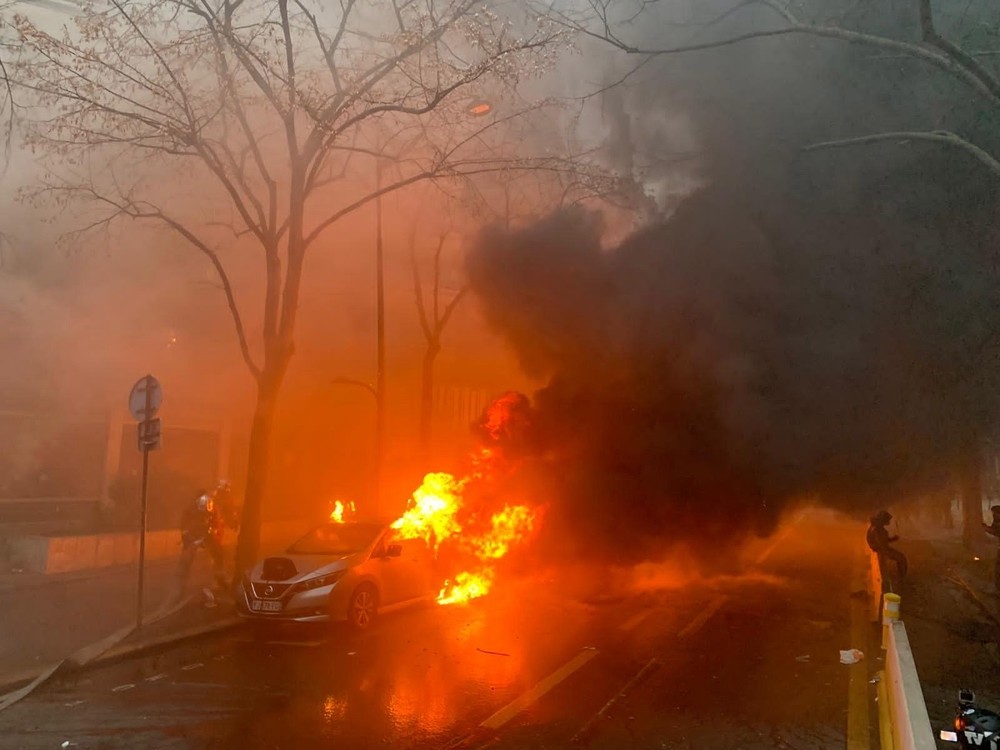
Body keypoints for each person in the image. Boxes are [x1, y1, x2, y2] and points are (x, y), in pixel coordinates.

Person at [176, 481, 234, 607]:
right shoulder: (207, 504)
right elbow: (210, 521)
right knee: (212, 561)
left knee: (192, 564)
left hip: (197, 539)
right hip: (202, 539)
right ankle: (211, 587)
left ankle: (182, 591)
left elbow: (188, 522)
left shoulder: (199, 505)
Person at [867, 509, 908, 580]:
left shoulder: (876, 527)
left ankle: (900, 576)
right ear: (883, 520)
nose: (889, 521)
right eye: (887, 519)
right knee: (902, 558)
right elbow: (882, 543)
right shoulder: (878, 529)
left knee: (900, 557)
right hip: (882, 550)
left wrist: (893, 539)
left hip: (880, 549)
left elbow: (882, 540)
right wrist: (886, 552)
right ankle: (902, 577)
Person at [982, 505, 1000, 593]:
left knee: (998, 568)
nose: (994, 515)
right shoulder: (996, 520)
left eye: (995, 513)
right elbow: (994, 530)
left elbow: (996, 532)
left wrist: (986, 528)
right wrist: (986, 528)